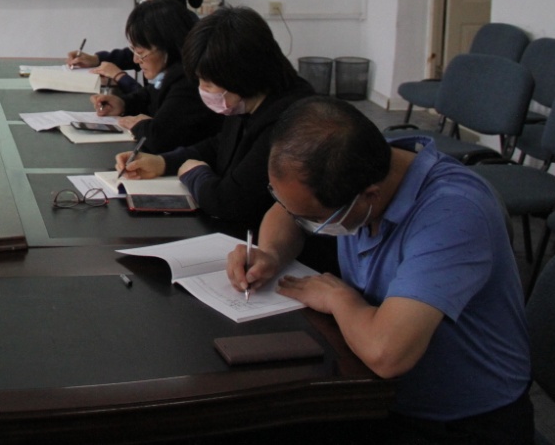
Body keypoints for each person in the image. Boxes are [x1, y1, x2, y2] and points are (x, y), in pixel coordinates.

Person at [227, 96, 533, 443]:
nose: (301, 220)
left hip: (461, 419)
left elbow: (388, 354)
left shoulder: (454, 214)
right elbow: (288, 211)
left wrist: (340, 299)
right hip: (375, 390)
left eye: (314, 218)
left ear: (369, 196)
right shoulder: (363, 160)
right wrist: (270, 252)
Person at [115, 6, 315, 232]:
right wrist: (164, 162)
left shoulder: (291, 120)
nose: (202, 89)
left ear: (239, 75)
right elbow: (220, 145)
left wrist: (194, 174)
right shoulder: (247, 100)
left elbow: (230, 201)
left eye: (207, 82)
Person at [89, 0, 222, 153]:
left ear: (167, 48)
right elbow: (149, 95)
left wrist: (139, 125)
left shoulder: (188, 81)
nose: (136, 60)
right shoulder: (172, 74)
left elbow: (157, 138)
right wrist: (123, 104)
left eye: (141, 53)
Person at [66, 0, 203, 71]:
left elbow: (156, 92)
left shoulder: (184, 34)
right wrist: (97, 59)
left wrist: (120, 78)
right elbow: (139, 55)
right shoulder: (167, 24)